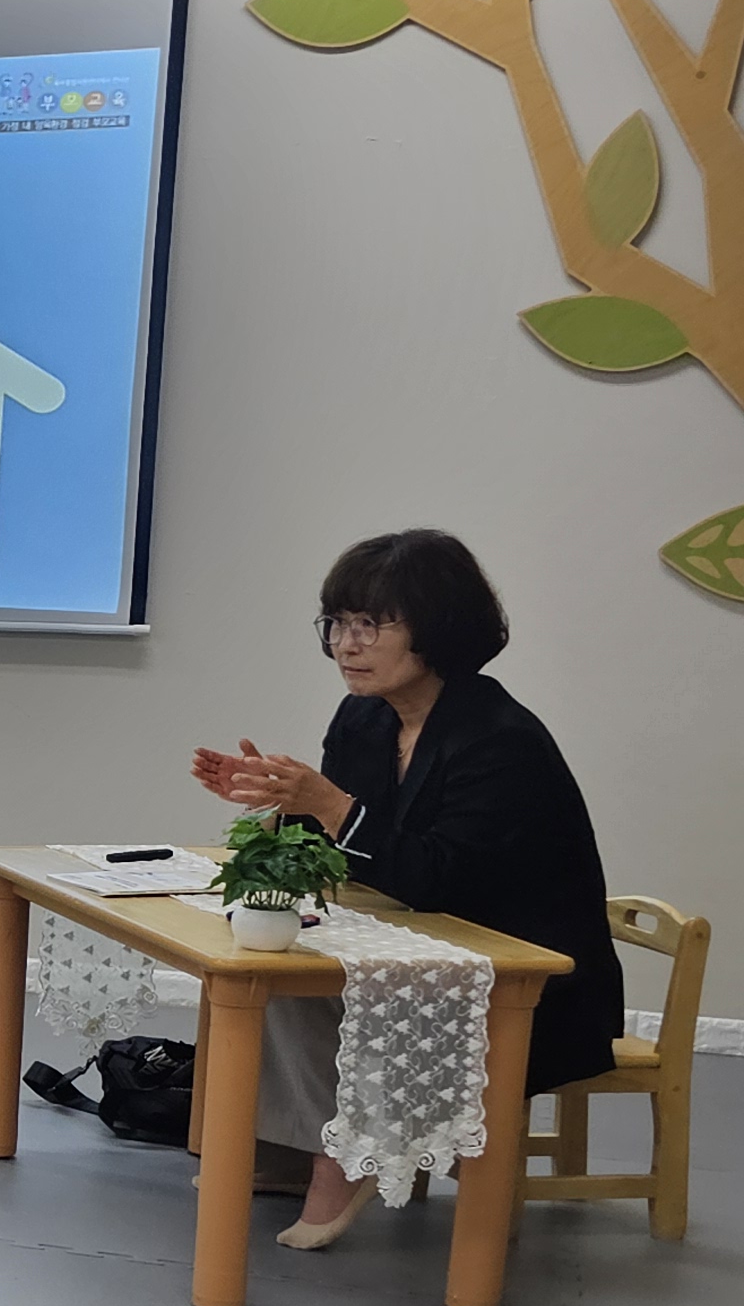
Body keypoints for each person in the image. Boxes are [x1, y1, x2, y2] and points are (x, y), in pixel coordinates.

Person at [190, 528, 623, 1250]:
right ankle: (297, 1148)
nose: (346, 645)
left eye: (371, 624)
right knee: (266, 964)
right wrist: (283, 802)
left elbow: (432, 877)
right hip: (429, 941)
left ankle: (345, 1159)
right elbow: (355, 857)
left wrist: (326, 803)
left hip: (526, 979)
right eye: (338, 623)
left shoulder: (498, 738)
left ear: (440, 629)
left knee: (322, 983)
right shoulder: (363, 717)